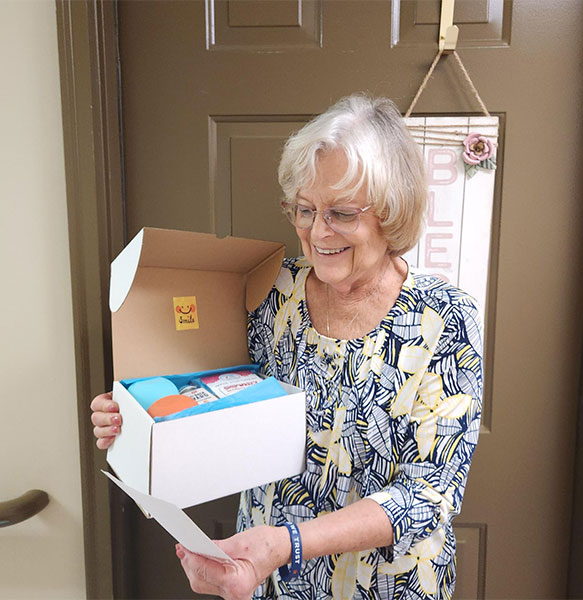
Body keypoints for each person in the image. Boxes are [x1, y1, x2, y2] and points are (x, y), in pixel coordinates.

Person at [91, 94, 483, 600]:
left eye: (341, 213)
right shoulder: (271, 290)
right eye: (304, 209)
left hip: (386, 586)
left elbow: (428, 494)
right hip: (269, 578)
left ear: (391, 212)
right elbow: (206, 398)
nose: (318, 232)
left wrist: (288, 543)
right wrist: (134, 416)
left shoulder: (444, 320)